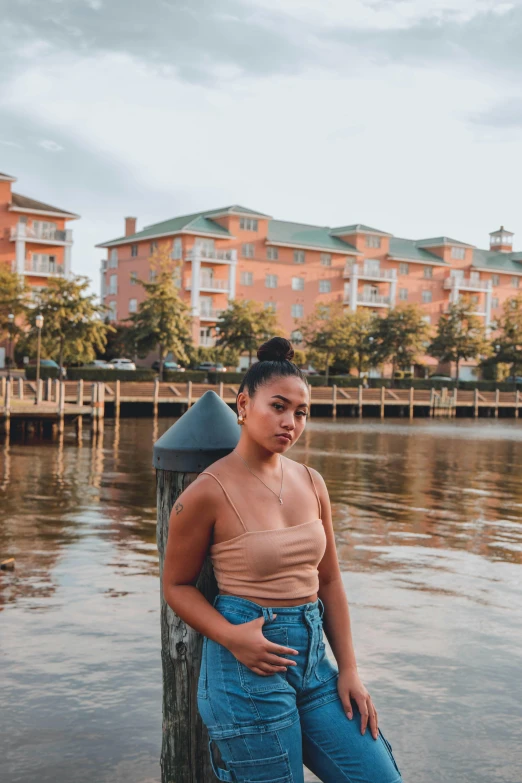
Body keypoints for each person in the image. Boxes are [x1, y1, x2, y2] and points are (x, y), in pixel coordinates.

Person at [162, 336, 403, 783]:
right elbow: (175, 586)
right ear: (243, 404)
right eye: (278, 406)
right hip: (246, 665)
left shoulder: (312, 482)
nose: (290, 422)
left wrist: (349, 669)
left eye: (301, 412)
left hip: (315, 663)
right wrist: (233, 637)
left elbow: (329, 581)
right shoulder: (206, 492)